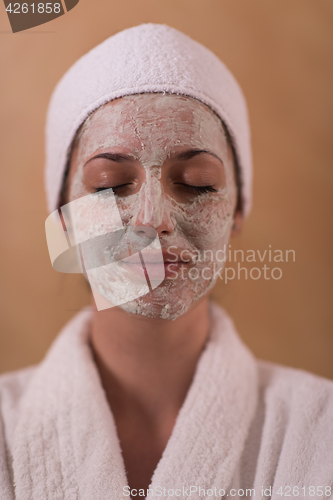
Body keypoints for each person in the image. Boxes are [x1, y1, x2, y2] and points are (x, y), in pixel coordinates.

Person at [0, 24, 332, 500]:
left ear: (236, 211)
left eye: (196, 183)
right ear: (66, 220)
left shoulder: (321, 430)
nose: (153, 220)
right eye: (109, 184)